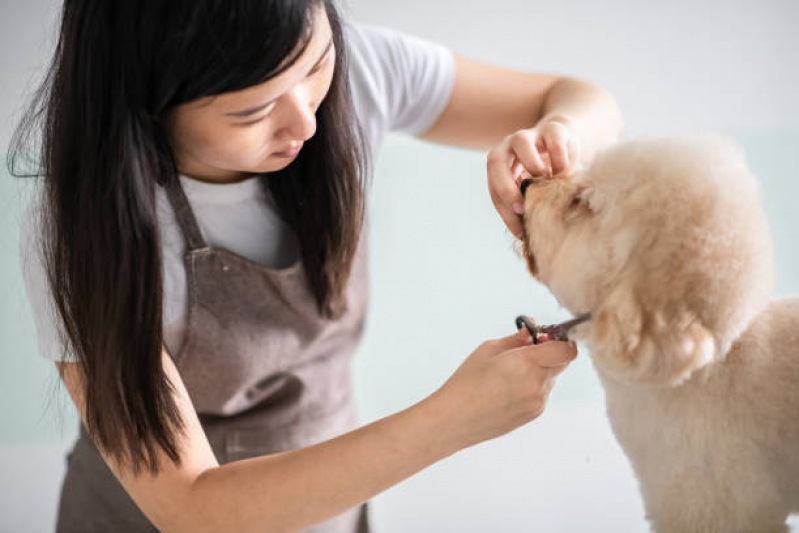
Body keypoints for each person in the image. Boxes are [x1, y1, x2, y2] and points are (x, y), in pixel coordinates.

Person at [11, 0, 623, 531]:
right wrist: (454, 419)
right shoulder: (84, 223)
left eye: (316, 66)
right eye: (253, 111)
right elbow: (193, 508)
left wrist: (558, 133)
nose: (305, 118)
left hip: (333, 505)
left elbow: (576, 98)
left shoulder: (365, 70)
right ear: (146, 104)